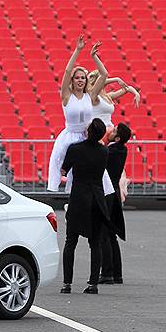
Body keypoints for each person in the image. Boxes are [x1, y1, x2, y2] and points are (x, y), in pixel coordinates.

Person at [47, 35, 113, 196]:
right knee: (67, 172)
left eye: (83, 78)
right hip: (70, 137)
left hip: (87, 137)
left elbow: (103, 75)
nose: (80, 80)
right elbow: (68, 71)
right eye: (77, 78)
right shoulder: (66, 96)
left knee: (97, 173)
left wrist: (94, 56)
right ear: (72, 80)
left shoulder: (89, 96)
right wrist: (78, 50)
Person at [60, 118, 115, 295]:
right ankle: (93, 283)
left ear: (88, 131)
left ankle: (67, 283)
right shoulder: (104, 151)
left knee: (71, 242)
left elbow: (63, 170)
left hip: (78, 199)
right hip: (97, 198)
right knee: (95, 243)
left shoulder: (75, 149)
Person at [99, 122, 131, 285]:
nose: (110, 131)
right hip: (115, 192)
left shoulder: (110, 150)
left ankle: (107, 272)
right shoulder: (121, 150)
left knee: (104, 233)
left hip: (107, 192)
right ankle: (116, 273)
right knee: (112, 235)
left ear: (117, 137)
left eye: (114, 131)